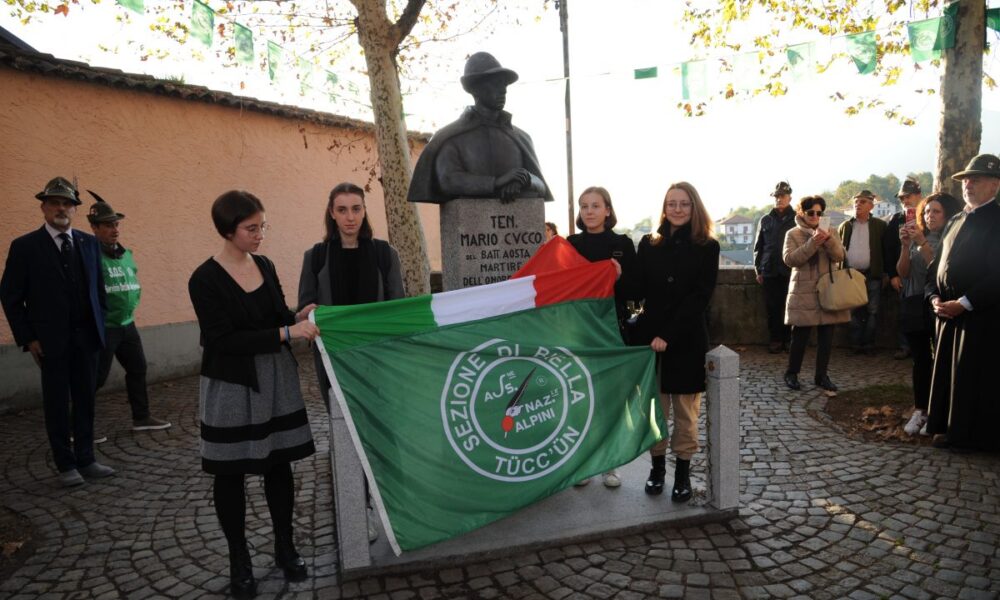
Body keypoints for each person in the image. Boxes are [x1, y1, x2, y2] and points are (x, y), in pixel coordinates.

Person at [188, 191, 319, 598]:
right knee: (229, 475)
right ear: (228, 231)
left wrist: (298, 316)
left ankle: (285, 546)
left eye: (262, 225)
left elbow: (277, 315)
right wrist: (286, 332)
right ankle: (239, 560)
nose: (260, 234)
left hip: (276, 380)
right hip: (232, 384)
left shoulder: (264, 263)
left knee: (279, 466)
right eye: (251, 228)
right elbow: (221, 339)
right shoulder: (204, 278)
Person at [297, 182, 404, 543]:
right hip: (335, 362)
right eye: (342, 210)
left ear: (364, 211)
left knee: (381, 432)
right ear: (331, 213)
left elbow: (397, 308)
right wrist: (307, 314)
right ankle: (358, 508)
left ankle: (387, 502)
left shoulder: (384, 253)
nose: (349, 217)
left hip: (375, 360)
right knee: (346, 433)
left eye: (356, 209)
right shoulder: (315, 257)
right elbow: (305, 308)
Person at [0, 177, 115, 488]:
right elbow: (10, 296)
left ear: (74, 210)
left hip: (87, 338)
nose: (61, 209)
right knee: (56, 402)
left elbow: (99, 290)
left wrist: (99, 325)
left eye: (67, 204)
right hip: (50, 341)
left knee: (85, 399)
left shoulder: (89, 243)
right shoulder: (25, 246)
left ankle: (87, 459)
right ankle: (65, 464)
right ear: (44, 207)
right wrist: (29, 338)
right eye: (55, 203)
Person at [634, 182, 719, 502]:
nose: (677, 209)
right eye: (672, 203)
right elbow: (637, 291)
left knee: (685, 417)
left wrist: (667, 335)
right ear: (664, 207)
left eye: (684, 203)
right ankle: (657, 470)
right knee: (655, 413)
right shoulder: (648, 243)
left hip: (685, 342)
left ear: (694, 207)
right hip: (650, 343)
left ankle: (682, 475)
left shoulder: (707, 246)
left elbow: (700, 297)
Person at [924, 154, 1000, 453]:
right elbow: (935, 268)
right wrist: (934, 297)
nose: (967, 184)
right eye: (966, 179)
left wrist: (966, 302)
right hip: (947, 313)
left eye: (976, 179)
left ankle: (976, 437)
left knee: (974, 376)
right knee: (948, 373)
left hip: (982, 316)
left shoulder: (997, 221)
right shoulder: (955, 219)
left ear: (994, 186)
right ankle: (947, 427)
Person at [407, 52, 551, 204]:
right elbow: (448, 181)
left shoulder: (521, 137)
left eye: (504, 84)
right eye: (495, 84)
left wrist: (525, 179)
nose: (503, 90)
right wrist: (496, 182)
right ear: (475, 89)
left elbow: (541, 187)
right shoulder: (451, 138)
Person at [566, 186, 637, 489]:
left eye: (596, 205)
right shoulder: (569, 245)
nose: (589, 211)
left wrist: (619, 278)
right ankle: (583, 464)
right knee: (581, 397)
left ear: (608, 209)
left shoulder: (622, 244)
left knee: (610, 397)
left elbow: (637, 290)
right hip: (579, 329)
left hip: (612, 327)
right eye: (584, 206)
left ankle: (611, 462)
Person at [87, 193, 171, 432]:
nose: (114, 229)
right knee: (96, 378)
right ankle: (79, 427)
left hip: (127, 324)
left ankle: (141, 417)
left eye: (116, 224)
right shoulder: (90, 257)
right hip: (104, 327)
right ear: (94, 228)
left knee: (138, 369)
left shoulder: (126, 254)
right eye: (107, 225)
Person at [897, 192, 962, 436]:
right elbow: (903, 273)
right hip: (914, 302)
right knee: (920, 360)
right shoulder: (914, 238)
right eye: (926, 211)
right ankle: (920, 409)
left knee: (942, 359)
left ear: (947, 215)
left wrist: (923, 242)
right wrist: (905, 246)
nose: (929, 215)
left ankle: (939, 410)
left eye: (936, 211)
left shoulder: (950, 238)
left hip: (938, 303)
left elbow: (939, 270)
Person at [782, 195, 850, 393]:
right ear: (801, 213)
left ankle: (822, 376)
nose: (815, 216)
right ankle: (792, 373)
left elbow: (840, 256)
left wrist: (828, 240)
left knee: (827, 336)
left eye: (819, 213)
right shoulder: (792, 234)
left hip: (827, 289)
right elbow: (790, 259)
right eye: (811, 212)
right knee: (800, 335)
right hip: (803, 291)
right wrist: (812, 243)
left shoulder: (832, 231)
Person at [838, 190, 887, 355]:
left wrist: (885, 273)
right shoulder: (845, 226)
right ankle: (855, 344)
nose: (858, 204)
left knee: (873, 311)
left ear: (871, 206)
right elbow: (839, 250)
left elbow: (886, 251)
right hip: (851, 276)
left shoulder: (880, 226)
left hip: (872, 275)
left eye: (863, 202)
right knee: (852, 312)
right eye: (856, 201)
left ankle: (868, 344)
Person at [753, 181, 797, 353]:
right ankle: (775, 340)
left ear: (789, 197)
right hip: (769, 270)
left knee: (789, 306)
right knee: (772, 308)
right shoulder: (765, 219)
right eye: (777, 196)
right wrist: (758, 270)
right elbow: (758, 247)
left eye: (783, 196)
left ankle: (788, 339)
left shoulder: (796, 219)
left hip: (790, 269)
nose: (779, 199)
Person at [884, 177, 924, 360]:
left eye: (908, 197)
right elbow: (888, 249)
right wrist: (893, 275)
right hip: (903, 273)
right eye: (902, 198)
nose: (905, 201)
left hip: (925, 273)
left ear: (919, 196)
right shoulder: (896, 219)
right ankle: (905, 346)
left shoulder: (927, 215)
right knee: (904, 312)